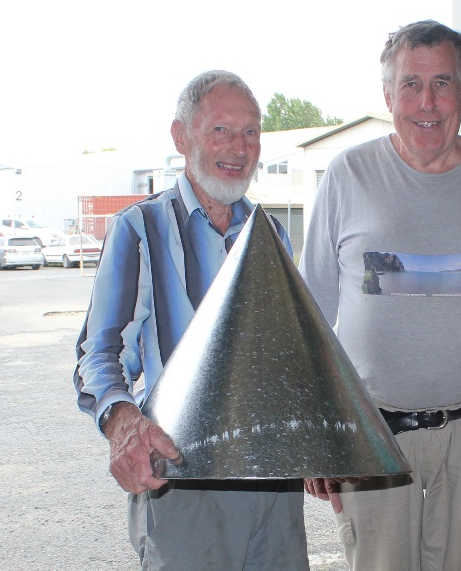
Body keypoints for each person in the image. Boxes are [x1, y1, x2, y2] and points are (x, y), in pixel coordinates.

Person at [300, 19, 461, 571]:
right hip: (372, 435)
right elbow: (309, 315)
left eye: (442, 82)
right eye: (410, 84)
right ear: (387, 95)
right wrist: (317, 437)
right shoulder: (347, 175)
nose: (426, 102)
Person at [73, 70, 310, 571]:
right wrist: (122, 423)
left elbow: (291, 354)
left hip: (274, 483)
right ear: (181, 136)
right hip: (184, 482)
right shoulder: (139, 228)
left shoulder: (270, 233)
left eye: (250, 132)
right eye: (221, 130)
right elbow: (100, 354)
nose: (239, 147)